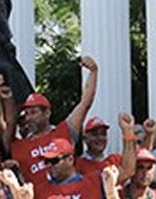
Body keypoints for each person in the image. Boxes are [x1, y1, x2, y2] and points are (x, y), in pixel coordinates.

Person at [9, 57, 98, 188]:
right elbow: (3, 124)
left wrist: (93, 72)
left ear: (47, 113)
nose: (29, 118)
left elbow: (84, 104)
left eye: (33, 112)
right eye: (26, 114)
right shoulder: (18, 146)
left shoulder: (63, 132)